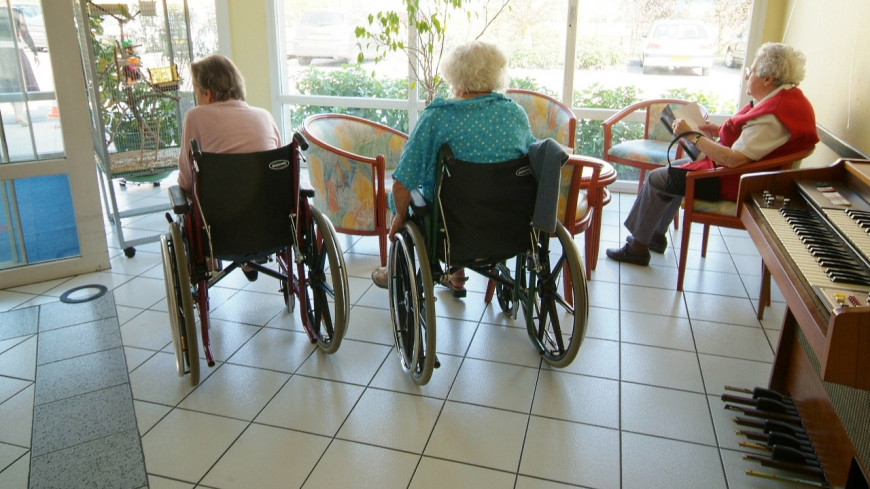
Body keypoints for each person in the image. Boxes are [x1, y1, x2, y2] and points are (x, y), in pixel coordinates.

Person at [606, 42, 819, 266]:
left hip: (736, 181)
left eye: (752, 70)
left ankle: (638, 248)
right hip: (741, 173)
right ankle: (655, 236)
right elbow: (753, 140)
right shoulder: (785, 100)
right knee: (673, 170)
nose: (747, 75)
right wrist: (718, 131)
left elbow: (733, 159)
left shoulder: (773, 116)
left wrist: (693, 136)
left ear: (768, 78)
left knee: (658, 178)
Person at [370, 40, 537, 295]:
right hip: (508, 226)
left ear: (455, 75)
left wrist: (399, 218)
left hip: (452, 230)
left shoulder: (438, 117)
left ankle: (395, 269)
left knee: (411, 199)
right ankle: (456, 274)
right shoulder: (514, 114)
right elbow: (531, 157)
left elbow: (402, 183)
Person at [177, 54, 281, 281]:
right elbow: (279, 170)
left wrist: (183, 192)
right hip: (271, 226)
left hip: (219, 230)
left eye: (196, 92)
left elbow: (186, 179)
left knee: (192, 199)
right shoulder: (265, 116)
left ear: (208, 93)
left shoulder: (195, 116)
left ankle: (209, 262)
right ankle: (249, 260)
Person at [0, 6, 40, 127]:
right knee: (20, 84)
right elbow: (25, 33)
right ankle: (19, 114)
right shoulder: (16, 12)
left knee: (8, 85)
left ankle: (17, 114)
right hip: (15, 50)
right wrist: (34, 51)